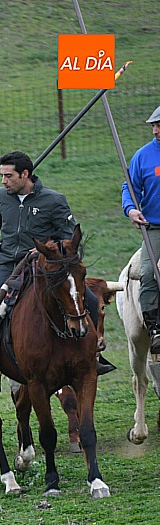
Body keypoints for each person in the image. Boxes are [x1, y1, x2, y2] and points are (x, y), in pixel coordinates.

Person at [0, 151, 113, 393]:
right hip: (8, 266)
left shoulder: (54, 200)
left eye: (8, 176)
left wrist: (48, 251)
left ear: (25, 174)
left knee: (89, 301)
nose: (3, 181)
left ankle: (92, 355)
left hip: (43, 266)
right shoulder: (2, 197)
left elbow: (69, 238)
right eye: (2, 176)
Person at [123, 104, 160, 353]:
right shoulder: (143, 156)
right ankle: (155, 327)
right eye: (154, 126)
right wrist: (130, 209)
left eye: (159, 125)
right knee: (148, 273)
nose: (156, 130)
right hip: (155, 227)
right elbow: (130, 188)